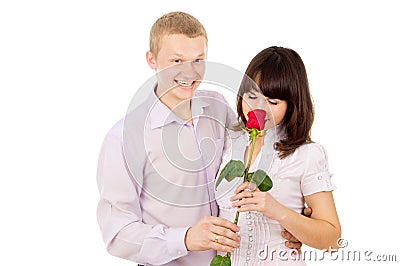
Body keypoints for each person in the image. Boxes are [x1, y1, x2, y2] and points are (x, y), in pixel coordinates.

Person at [96, 12, 303, 266]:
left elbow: (257, 153)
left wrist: (300, 217)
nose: (189, 71)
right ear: (151, 59)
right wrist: (184, 239)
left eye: (198, 59)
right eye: (176, 60)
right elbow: (117, 235)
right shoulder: (123, 138)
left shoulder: (217, 106)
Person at [215, 46, 341, 265]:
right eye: (252, 96)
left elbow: (332, 240)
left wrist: (279, 212)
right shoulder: (226, 140)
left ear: (292, 105)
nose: (258, 109)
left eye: (273, 102)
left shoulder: (307, 154)